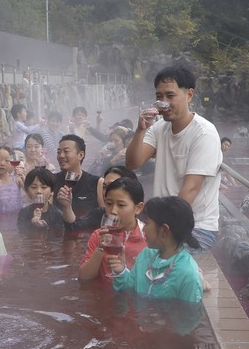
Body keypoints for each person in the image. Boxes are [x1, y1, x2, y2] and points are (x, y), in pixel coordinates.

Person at [125, 66, 222, 251]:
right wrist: (140, 130)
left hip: (195, 227)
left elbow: (190, 190)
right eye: (159, 97)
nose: (163, 103)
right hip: (162, 223)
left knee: (164, 274)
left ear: (189, 95)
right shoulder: (159, 128)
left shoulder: (204, 134)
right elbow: (132, 163)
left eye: (170, 96)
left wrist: (161, 231)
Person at [109, 196, 204, 303]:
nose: (144, 228)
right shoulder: (146, 255)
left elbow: (188, 316)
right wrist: (121, 271)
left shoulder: (188, 275)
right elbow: (129, 290)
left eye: (147, 222)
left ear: (164, 230)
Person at [78, 177, 146, 284]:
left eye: (121, 205)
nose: (113, 211)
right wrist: (100, 249)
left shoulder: (148, 237)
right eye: (109, 204)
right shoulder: (99, 235)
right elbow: (84, 277)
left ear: (138, 208)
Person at [53, 134, 100, 230]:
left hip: (86, 238)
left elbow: (104, 216)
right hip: (58, 238)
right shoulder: (52, 181)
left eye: (66, 151)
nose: (61, 155)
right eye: (59, 152)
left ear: (80, 155)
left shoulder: (97, 183)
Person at [18, 167, 64, 232]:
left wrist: (44, 228)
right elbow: (22, 234)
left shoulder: (57, 214)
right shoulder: (24, 213)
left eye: (44, 187)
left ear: (52, 192)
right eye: (34, 187)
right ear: (27, 192)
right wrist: (32, 225)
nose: (38, 191)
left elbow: (58, 236)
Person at [0, 145, 25, 215]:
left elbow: (30, 196)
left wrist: (24, 179)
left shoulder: (17, 180)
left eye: (7, 160)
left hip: (18, 220)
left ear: (12, 162)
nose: (2, 163)